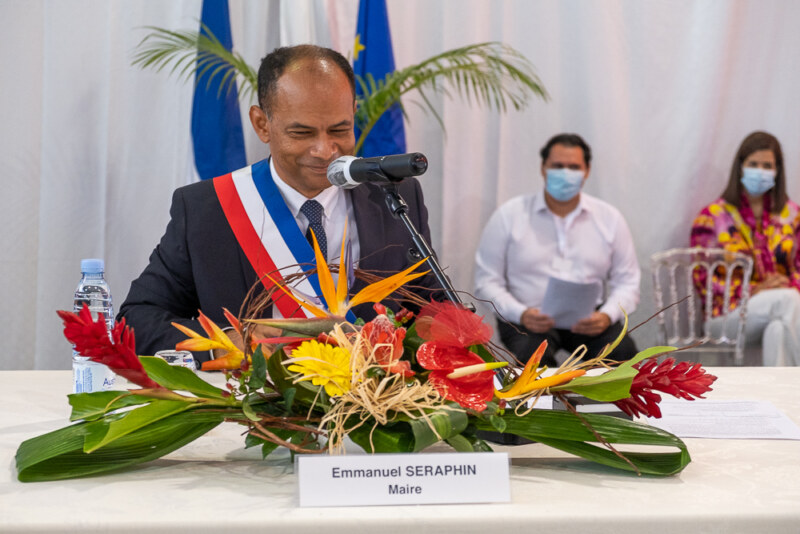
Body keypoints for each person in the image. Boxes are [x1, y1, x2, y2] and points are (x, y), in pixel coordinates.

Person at [119, 45, 438, 363]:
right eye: (302, 132)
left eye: (339, 129)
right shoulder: (206, 209)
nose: (325, 150)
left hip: (376, 405)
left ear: (354, 112)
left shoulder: (394, 197)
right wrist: (222, 342)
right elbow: (134, 322)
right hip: (255, 405)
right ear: (261, 124)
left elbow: (436, 303)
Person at [474, 133, 640, 367]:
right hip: (526, 319)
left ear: (587, 171)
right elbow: (486, 281)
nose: (565, 174)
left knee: (622, 354)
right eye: (558, 166)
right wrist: (520, 313)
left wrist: (607, 315)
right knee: (530, 359)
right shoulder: (509, 216)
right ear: (543, 168)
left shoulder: (609, 218)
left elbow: (628, 282)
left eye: (574, 167)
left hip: (591, 319)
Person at [690, 131, 800, 366]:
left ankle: (780, 398)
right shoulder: (712, 218)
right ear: (740, 167)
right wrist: (757, 289)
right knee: (788, 300)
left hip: (782, 309)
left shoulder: (793, 216)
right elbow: (704, 281)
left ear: (777, 170)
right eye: (753, 164)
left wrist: (784, 285)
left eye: (767, 165)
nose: (760, 171)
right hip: (725, 314)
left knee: (779, 328)